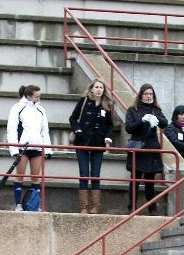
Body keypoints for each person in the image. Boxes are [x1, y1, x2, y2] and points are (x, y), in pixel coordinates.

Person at [69, 79, 117, 214]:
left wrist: (108, 137)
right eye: (96, 87)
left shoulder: (107, 105)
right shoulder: (84, 101)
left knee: (95, 174)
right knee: (84, 174)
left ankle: (95, 206)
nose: (99, 90)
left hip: (98, 144)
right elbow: (73, 118)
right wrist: (77, 130)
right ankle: (83, 207)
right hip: (82, 143)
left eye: (101, 87)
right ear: (91, 89)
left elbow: (110, 126)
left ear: (104, 90)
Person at [124, 83, 168, 213]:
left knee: (150, 180)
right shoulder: (133, 110)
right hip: (138, 146)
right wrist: (142, 120)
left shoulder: (156, 109)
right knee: (135, 178)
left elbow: (165, 123)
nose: (149, 96)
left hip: (151, 147)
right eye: (146, 94)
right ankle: (132, 207)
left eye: (151, 94)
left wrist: (156, 118)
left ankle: (152, 208)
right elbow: (129, 127)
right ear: (141, 95)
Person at [6, 85, 50, 211]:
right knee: (20, 175)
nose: (39, 98)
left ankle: (35, 205)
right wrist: (14, 149)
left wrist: (47, 149)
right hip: (22, 148)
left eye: (39, 96)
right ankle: (18, 205)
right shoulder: (18, 108)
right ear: (29, 96)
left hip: (37, 147)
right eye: (36, 96)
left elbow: (45, 130)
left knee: (36, 177)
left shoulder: (41, 110)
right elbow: (12, 129)